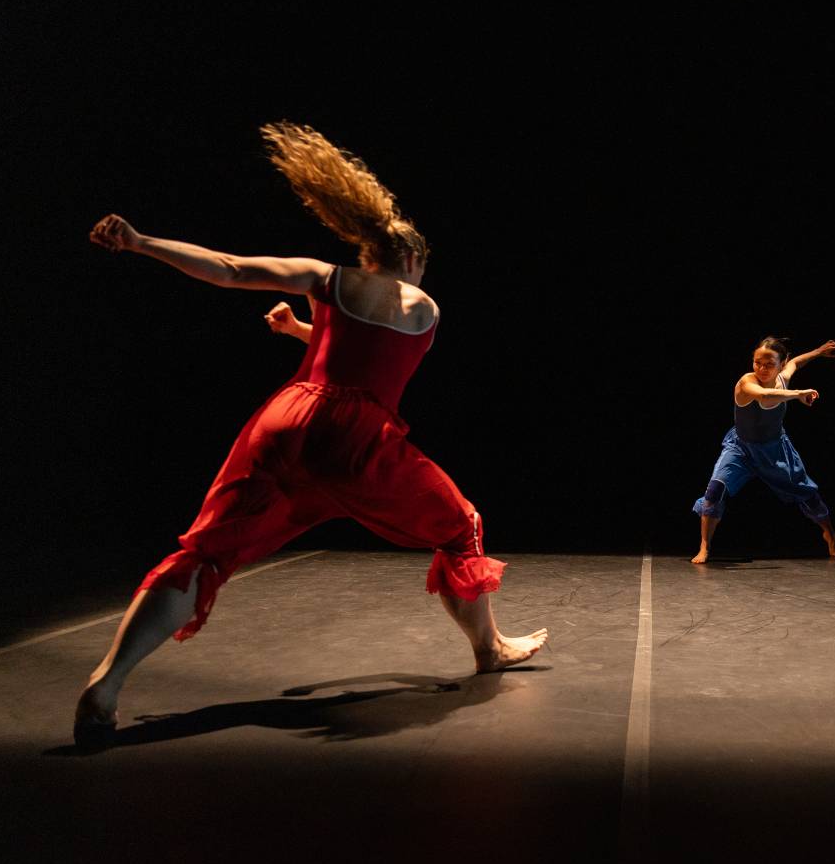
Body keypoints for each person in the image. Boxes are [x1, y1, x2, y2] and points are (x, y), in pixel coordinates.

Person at [74, 122, 547, 745]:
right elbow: (377, 368)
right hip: (354, 443)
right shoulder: (422, 307)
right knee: (461, 525)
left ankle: (107, 683)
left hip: (285, 424)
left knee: (206, 553)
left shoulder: (327, 278)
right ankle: (488, 650)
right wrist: (306, 331)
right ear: (410, 260)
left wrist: (140, 242)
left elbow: (230, 270)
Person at [691, 336, 835, 563]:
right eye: (757, 362)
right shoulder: (746, 382)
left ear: (781, 364)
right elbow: (764, 395)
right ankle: (705, 546)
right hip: (740, 449)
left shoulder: (784, 377)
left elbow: (796, 363)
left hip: (775, 449)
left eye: (770, 364)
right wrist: (798, 394)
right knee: (714, 490)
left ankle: (830, 535)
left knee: (805, 490)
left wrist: (818, 352)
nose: (762, 368)